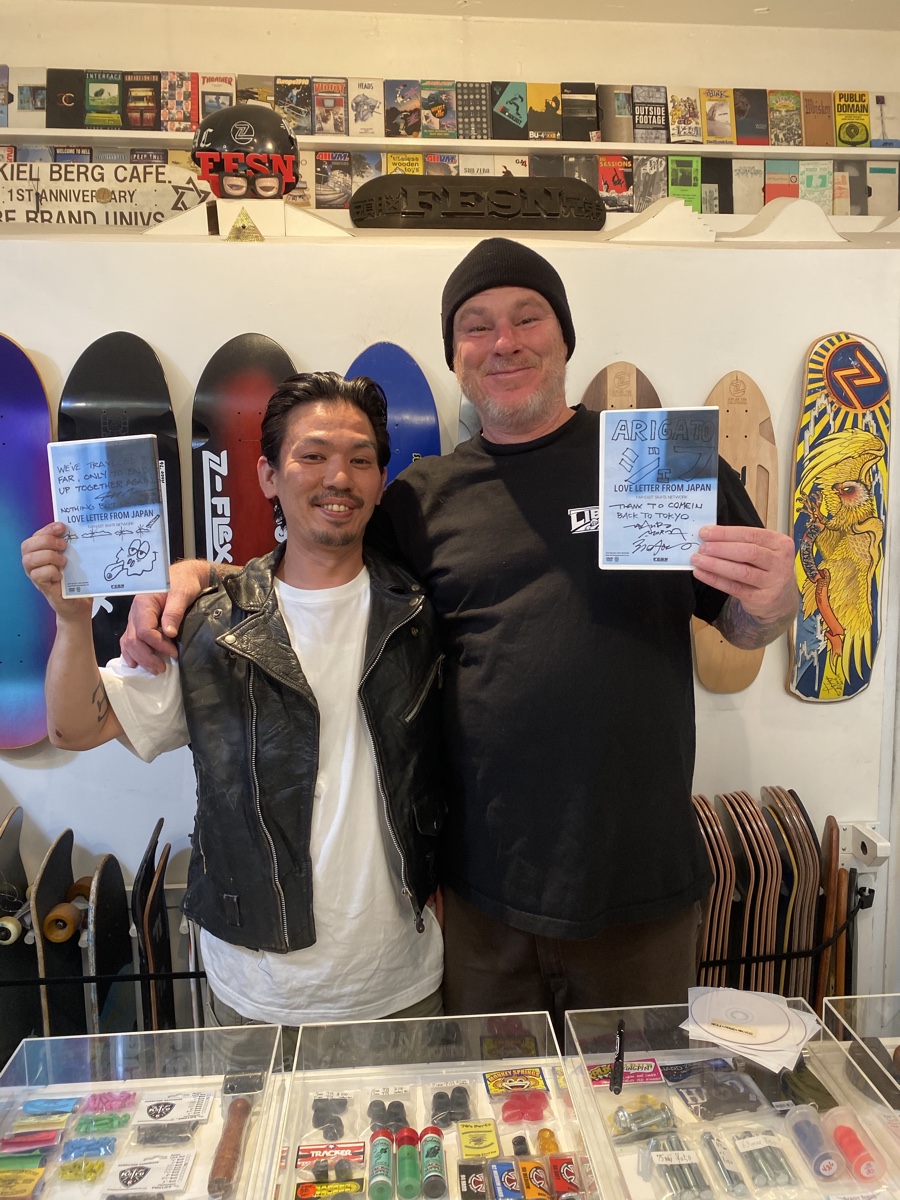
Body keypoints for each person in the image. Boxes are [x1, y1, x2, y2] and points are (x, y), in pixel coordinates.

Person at [122, 240, 797, 1034]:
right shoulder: (421, 499)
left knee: (633, 1102)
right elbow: (317, 568)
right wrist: (203, 576)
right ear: (456, 357)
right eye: (476, 326)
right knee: (489, 1106)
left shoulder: (659, 463)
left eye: (527, 318)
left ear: (565, 337)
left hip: (639, 888)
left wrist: (775, 605)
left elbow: (743, 624)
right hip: (480, 900)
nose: (503, 342)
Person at [22, 372, 445, 1051]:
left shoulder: (421, 614)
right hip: (254, 993)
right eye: (312, 455)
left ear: (379, 480)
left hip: (401, 983)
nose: (338, 477)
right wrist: (72, 621)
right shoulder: (207, 624)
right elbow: (76, 727)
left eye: (360, 459)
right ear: (268, 475)